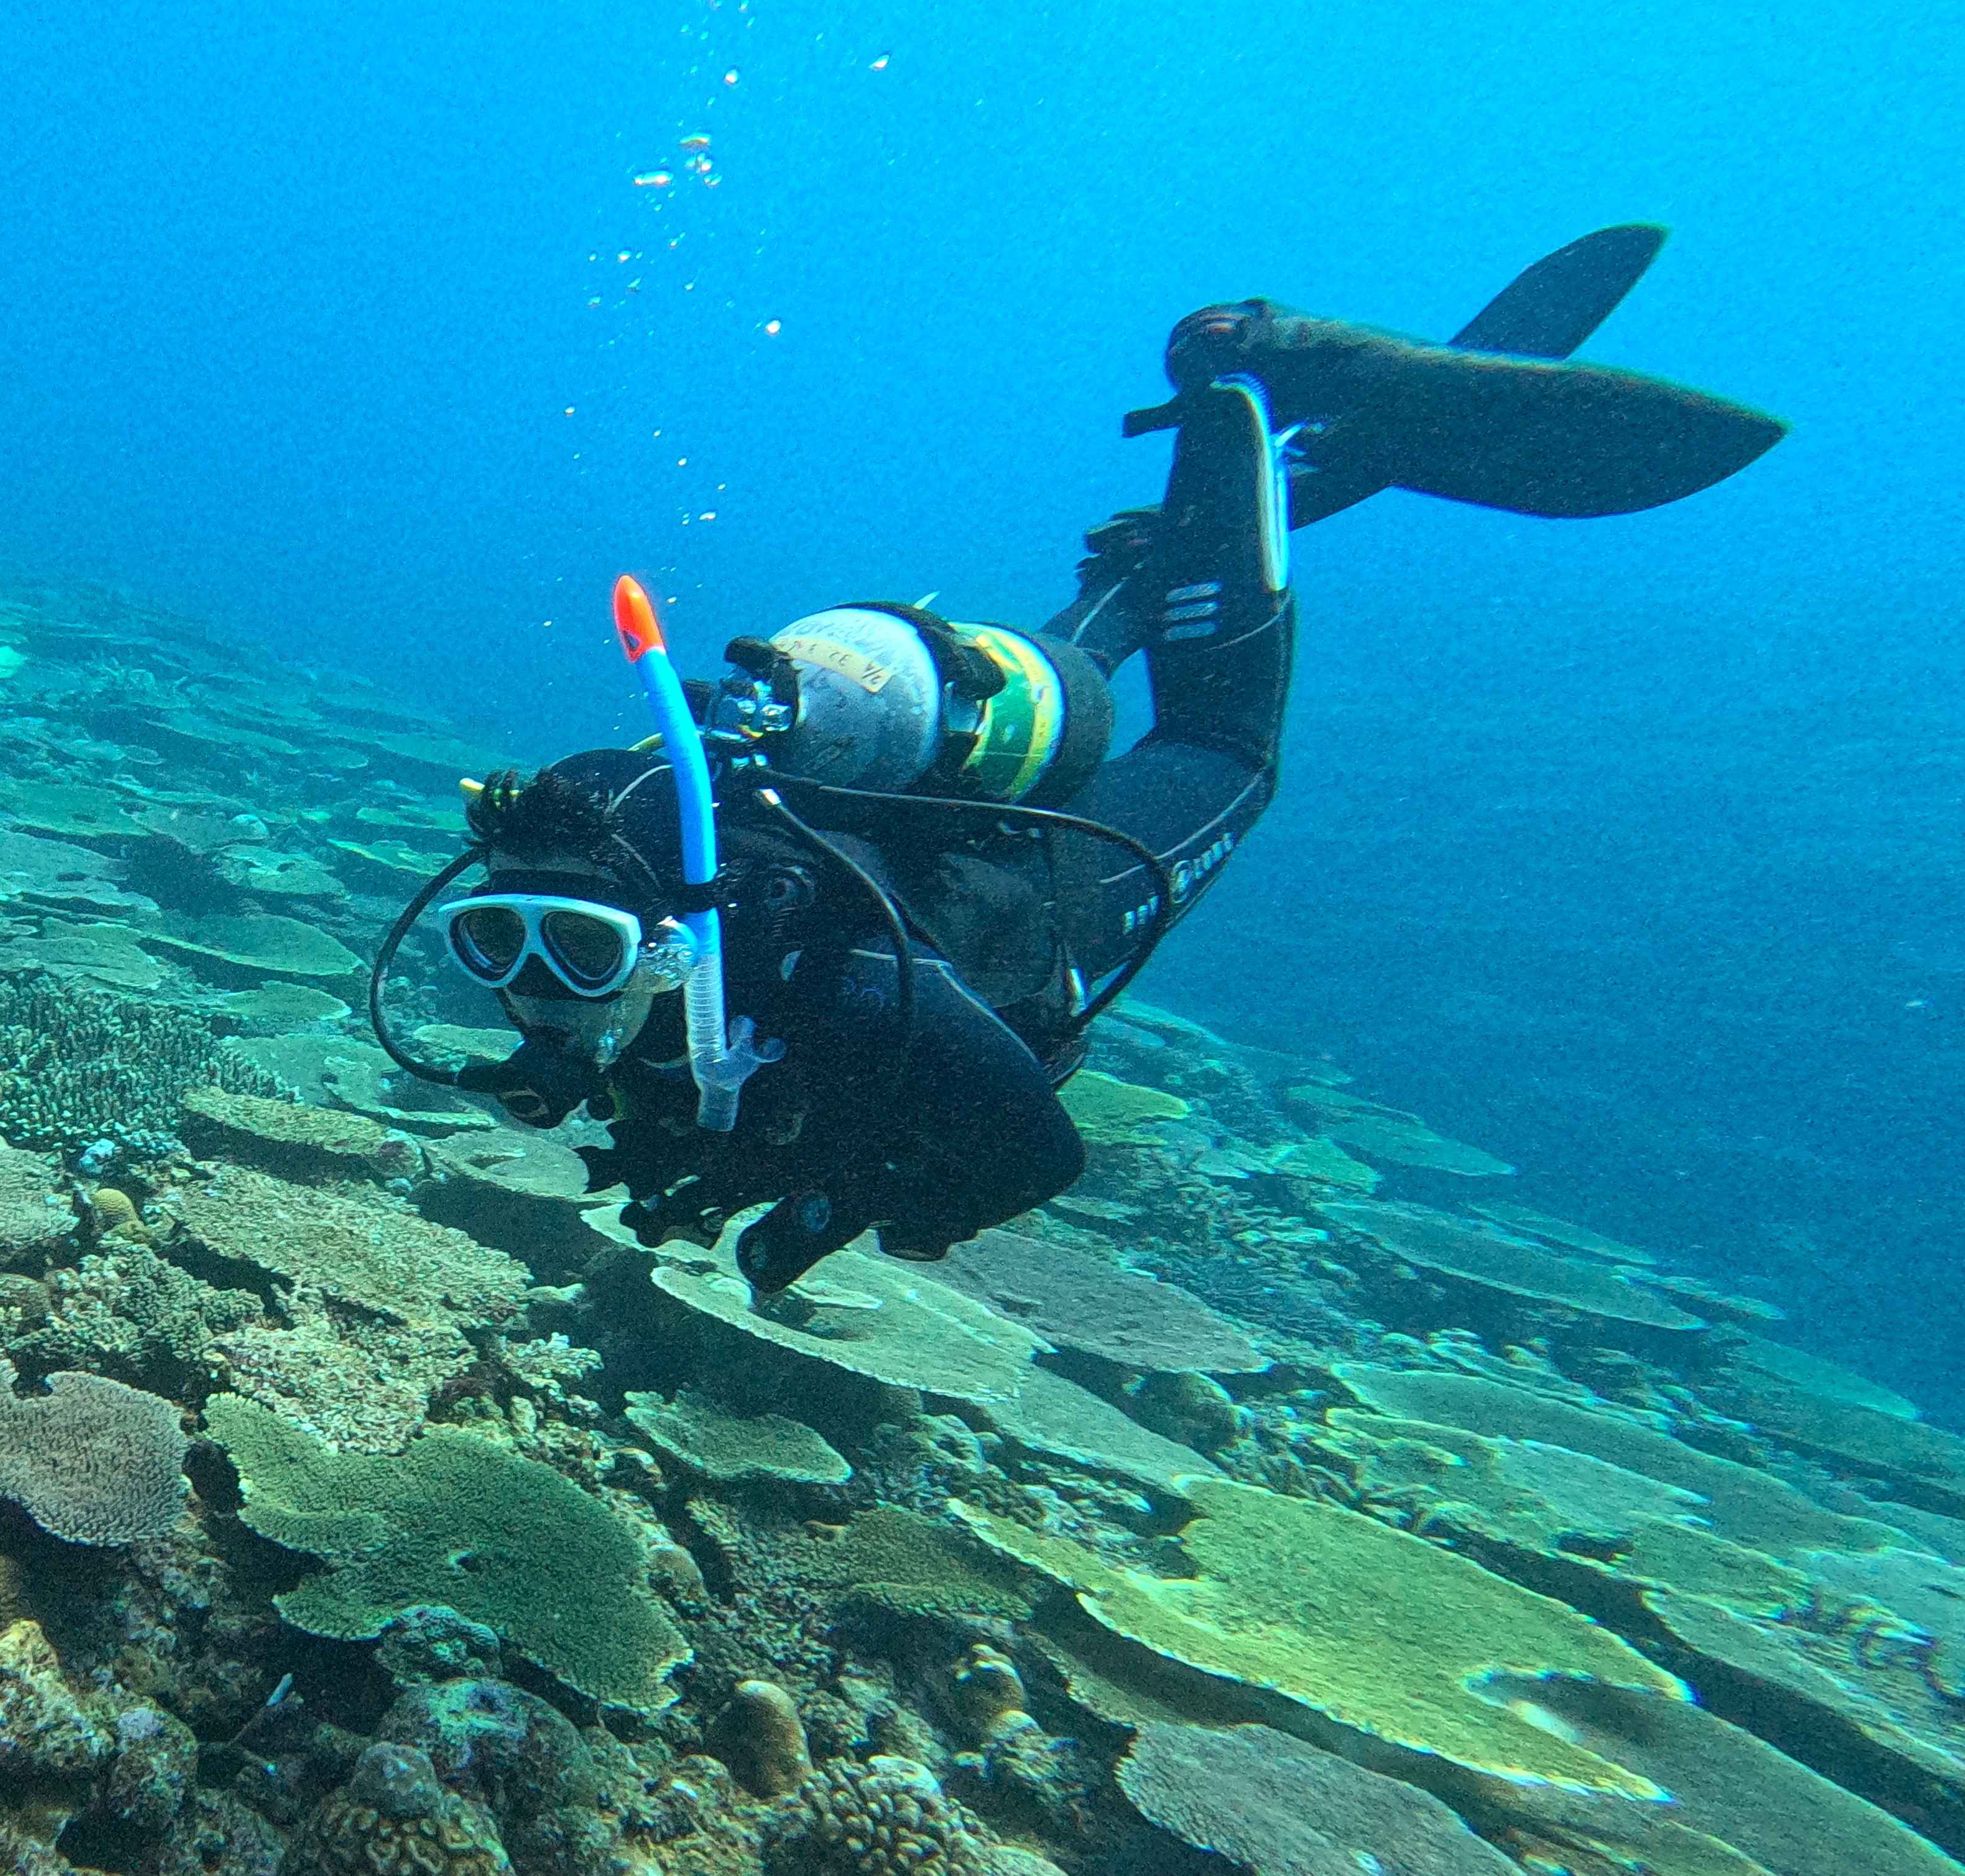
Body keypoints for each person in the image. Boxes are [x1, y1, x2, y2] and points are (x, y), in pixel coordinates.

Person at [365, 226, 1787, 1299]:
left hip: (1035, 893)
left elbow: (1038, 1151)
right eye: (500, 940)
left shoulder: (847, 983)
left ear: (672, 936)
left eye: (574, 949)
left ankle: (1246, 373)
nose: (534, 989)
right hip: (930, 807)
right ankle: (1209, 523)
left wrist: (854, 1212)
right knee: (1076, 660)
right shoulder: (673, 969)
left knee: (1218, 742)